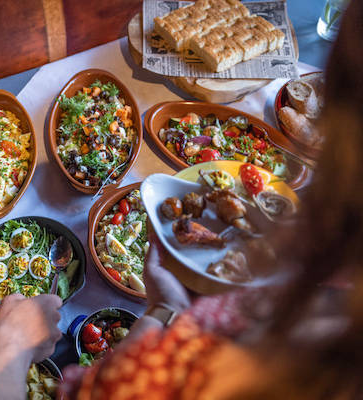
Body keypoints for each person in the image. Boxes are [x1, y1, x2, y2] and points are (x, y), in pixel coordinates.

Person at [55, 1, 363, 398]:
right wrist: (171, 305)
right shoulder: (322, 298)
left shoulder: (216, 363)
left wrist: (159, 314)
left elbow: (84, 392)